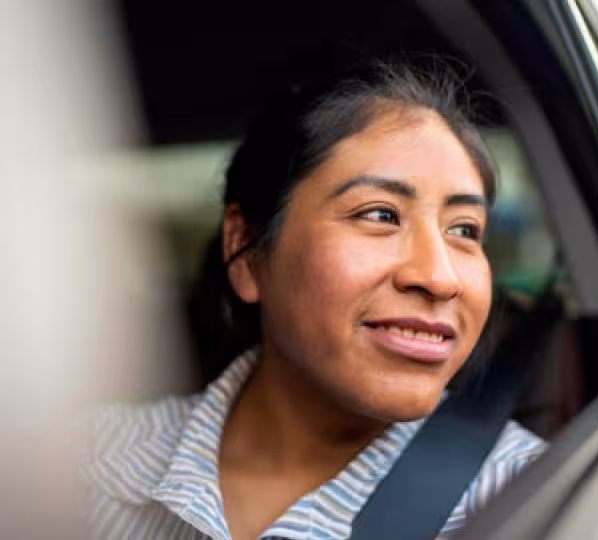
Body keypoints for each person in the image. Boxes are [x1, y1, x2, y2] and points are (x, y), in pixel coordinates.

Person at [79, 59, 546, 540]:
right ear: (248, 251)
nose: (440, 277)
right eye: (381, 215)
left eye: (465, 230)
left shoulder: (534, 498)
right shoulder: (75, 463)